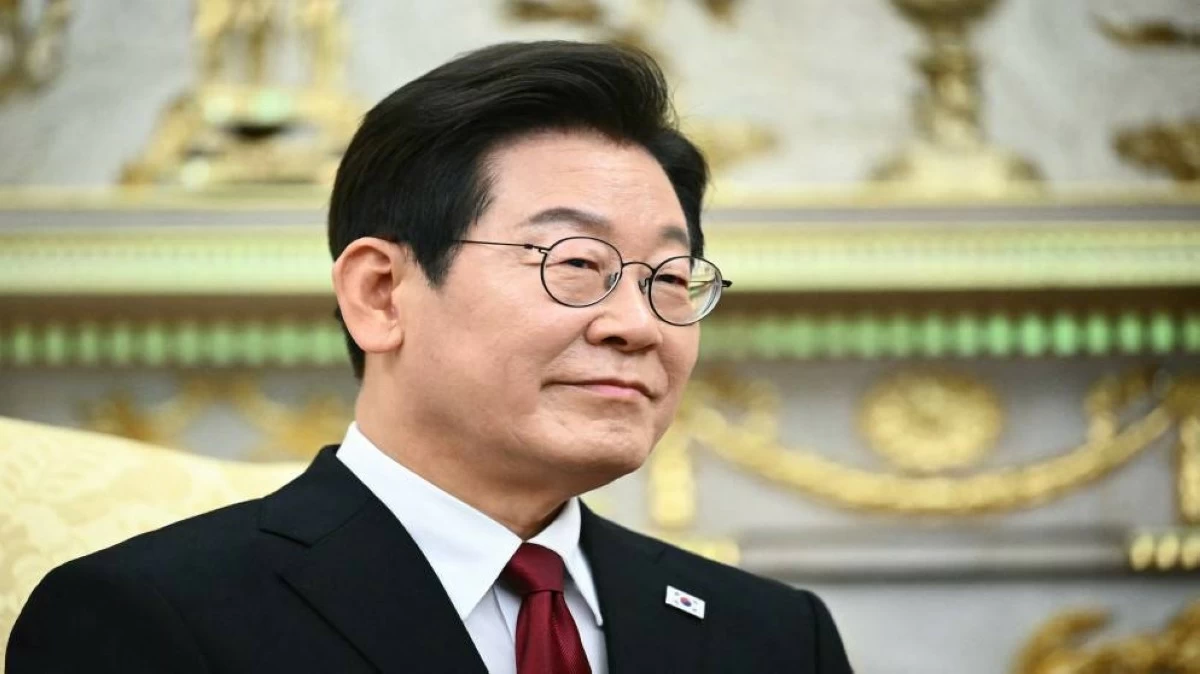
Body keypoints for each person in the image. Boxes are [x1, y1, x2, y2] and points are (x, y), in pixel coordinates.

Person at [7, 41, 852, 673]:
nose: (638, 325)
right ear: (381, 294)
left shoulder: (773, 636)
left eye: (668, 277)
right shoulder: (151, 618)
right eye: (576, 264)